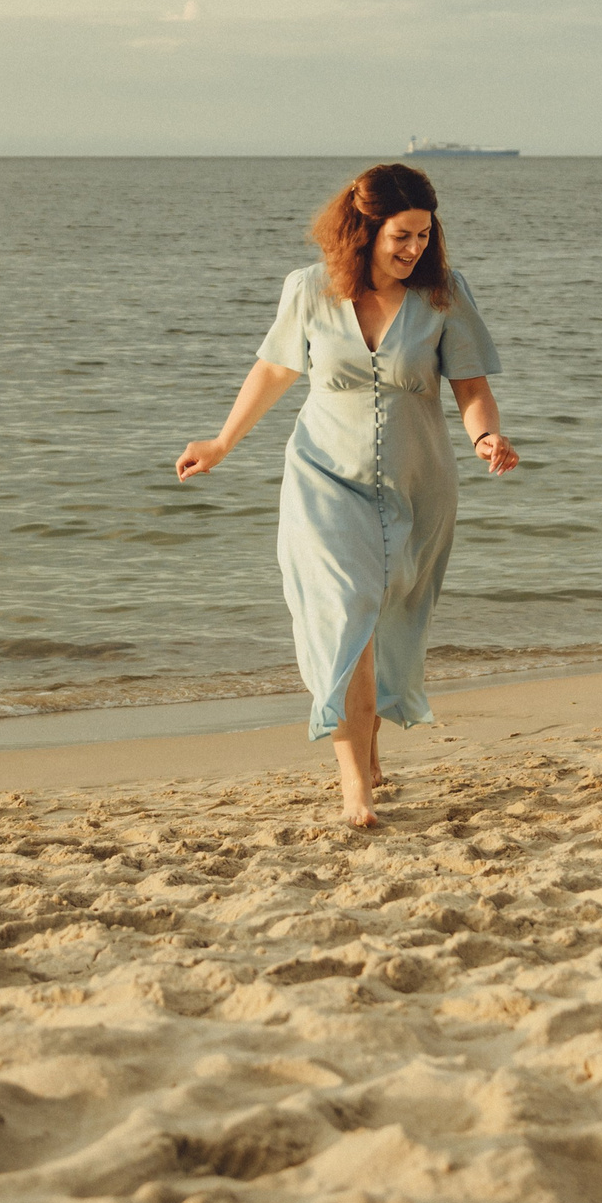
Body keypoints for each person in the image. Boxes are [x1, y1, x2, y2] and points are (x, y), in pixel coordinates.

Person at [176, 164, 519, 827]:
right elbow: (275, 370)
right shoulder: (308, 290)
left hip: (416, 487)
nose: (414, 248)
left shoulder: (444, 294)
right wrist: (221, 444)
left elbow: (471, 388)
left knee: (381, 620)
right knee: (346, 612)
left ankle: (368, 744)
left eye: (424, 234)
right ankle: (354, 786)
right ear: (364, 230)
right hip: (323, 478)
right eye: (401, 235)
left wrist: (486, 437)